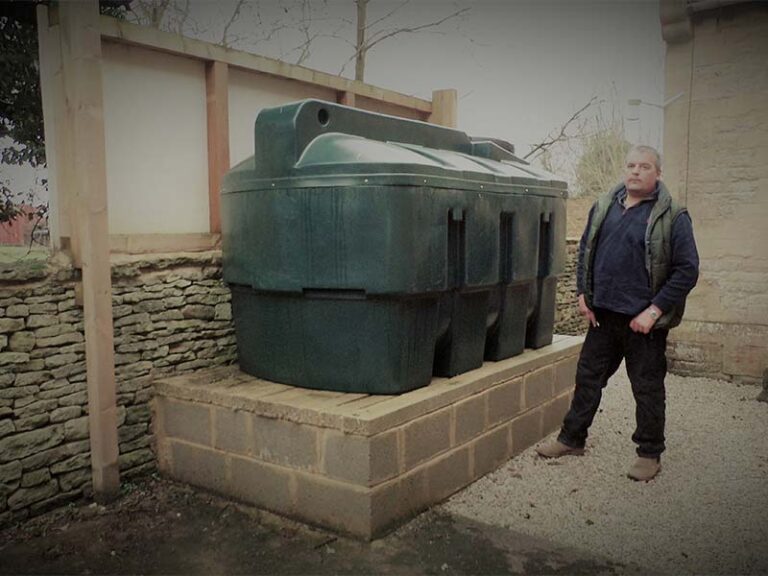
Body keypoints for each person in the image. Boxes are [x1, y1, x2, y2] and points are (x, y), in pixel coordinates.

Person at [535, 145, 699, 481]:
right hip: (602, 317)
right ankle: (572, 439)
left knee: (647, 387)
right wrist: (583, 293)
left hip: (643, 323)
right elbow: (585, 250)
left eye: (644, 166)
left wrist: (653, 312)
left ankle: (649, 454)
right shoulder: (605, 205)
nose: (636, 171)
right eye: (631, 165)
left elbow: (687, 270)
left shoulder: (673, 217)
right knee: (587, 380)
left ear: (658, 174)